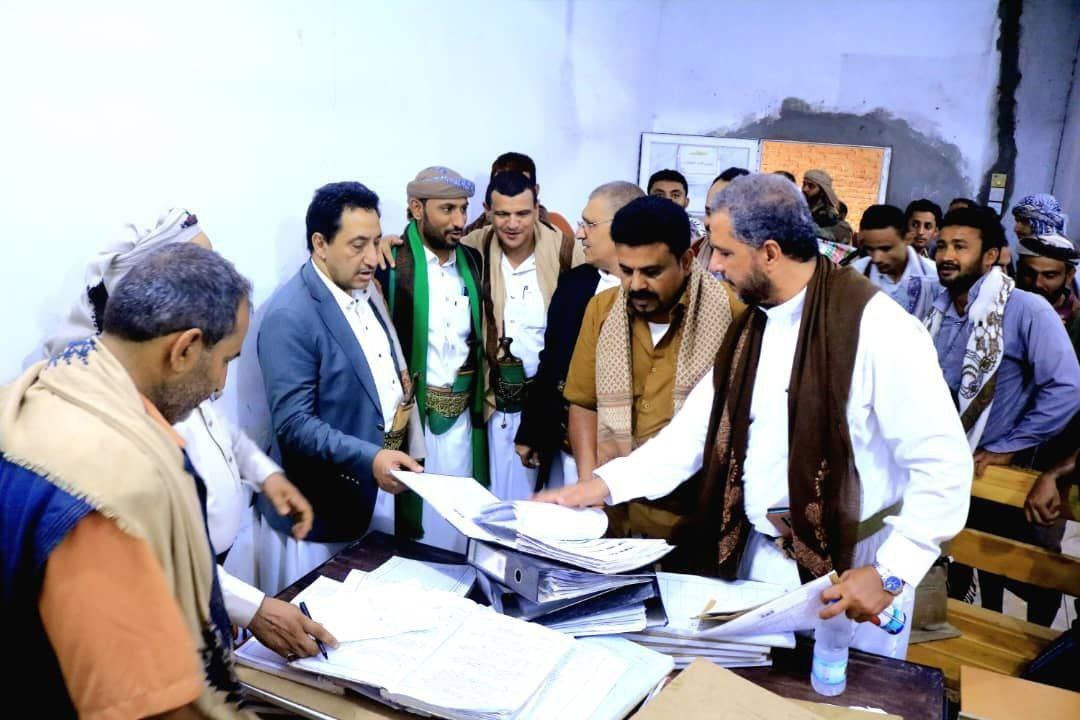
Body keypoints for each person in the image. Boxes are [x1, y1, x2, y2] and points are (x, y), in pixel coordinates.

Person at [539, 174, 973, 660]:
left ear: (769, 252)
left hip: (856, 571)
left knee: (845, 694)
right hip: (762, 562)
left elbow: (944, 465)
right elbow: (691, 437)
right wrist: (598, 487)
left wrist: (893, 571)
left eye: (725, 252)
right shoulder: (754, 326)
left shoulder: (880, 329)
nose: (714, 265)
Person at [0, 243, 299, 718]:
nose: (220, 385)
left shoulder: (59, 382)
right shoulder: (114, 488)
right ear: (184, 349)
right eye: (226, 360)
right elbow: (146, 707)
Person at [39, 208, 322, 657]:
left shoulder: (182, 371)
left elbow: (220, 435)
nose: (222, 381)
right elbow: (145, 550)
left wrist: (263, 474)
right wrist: (250, 607)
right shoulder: (103, 412)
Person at [257, 182, 423, 592]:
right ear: (320, 244)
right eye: (358, 245)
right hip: (322, 515)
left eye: (375, 242)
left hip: (374, 495)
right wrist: (371, 458)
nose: (373, 258)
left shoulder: (364, 287)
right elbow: (294, 425)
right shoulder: (291, 315)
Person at [562, 195, 742, 548]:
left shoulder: (732, 315)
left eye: (651, 272)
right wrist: (589, 483)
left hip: (691, 520)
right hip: (614, 514)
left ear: (686, 261)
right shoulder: (601, 310)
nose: (636, 285)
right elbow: (583, 402)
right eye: (626, 271)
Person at [375, 167, 487, 552]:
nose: (459, 221)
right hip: (411, 424)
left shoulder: (473, 262)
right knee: (413, 529)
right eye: (447, 209)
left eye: (464, 209)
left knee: (458, 522)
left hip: (461, 423)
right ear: (417, 208)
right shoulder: (390, 265)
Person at [928, 207, 1080, 473]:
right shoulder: (932, 307)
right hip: (925, 458)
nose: (946, 256)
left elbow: (1067, 387)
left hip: (982, 470)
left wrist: (1009, 446)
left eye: (960, 247)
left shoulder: (1027, 309)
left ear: (990, 256)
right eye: (942, 246)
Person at [460, 171, 584, 500]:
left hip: (550, 407)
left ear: (537, 208)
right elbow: (428, 250)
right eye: (503, 214)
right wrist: (389, 242)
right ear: (487, 211)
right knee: (495, 498)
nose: (513, 224)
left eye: (523, 213)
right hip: (495, 403)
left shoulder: (565, 250)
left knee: (548, 503)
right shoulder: (473, 248)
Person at [515, 181, 643, 491]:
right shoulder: (575, 284)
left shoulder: (650, 296)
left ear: (624, 226)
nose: (580, 233)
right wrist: (531, 430)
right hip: (563, 446)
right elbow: (551, 361)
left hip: (627, 459)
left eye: (589, 224)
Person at [850, 204, 939, 319]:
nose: (876, 258)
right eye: (870, 249)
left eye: (885, 249)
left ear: (907, 238)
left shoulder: (934, 277)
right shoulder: (855, 274)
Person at [462, 151, 574, 239]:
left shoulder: (556, 227)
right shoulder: (469, 237)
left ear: (536, 191)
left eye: (521, 185)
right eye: (502, 184)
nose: (512, 190)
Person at [1016, 232, 1080, 355]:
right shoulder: (1000, 308)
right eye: (1029, 274)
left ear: (1069, 276)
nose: (1037, 283)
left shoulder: (1076, 320)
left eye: (1049, 275)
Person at [647, 168, 707, 242]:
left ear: (686, 202)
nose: (668, 201)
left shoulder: (701, 237)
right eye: (659, 195)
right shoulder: (635, 230)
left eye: (675, 195)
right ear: (646, 200)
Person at [802, 169, 853, 244]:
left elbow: (844, 233)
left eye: (811, 186)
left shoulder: (829, 213)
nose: (805, 189)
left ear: (822, 191)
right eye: (804, 184)